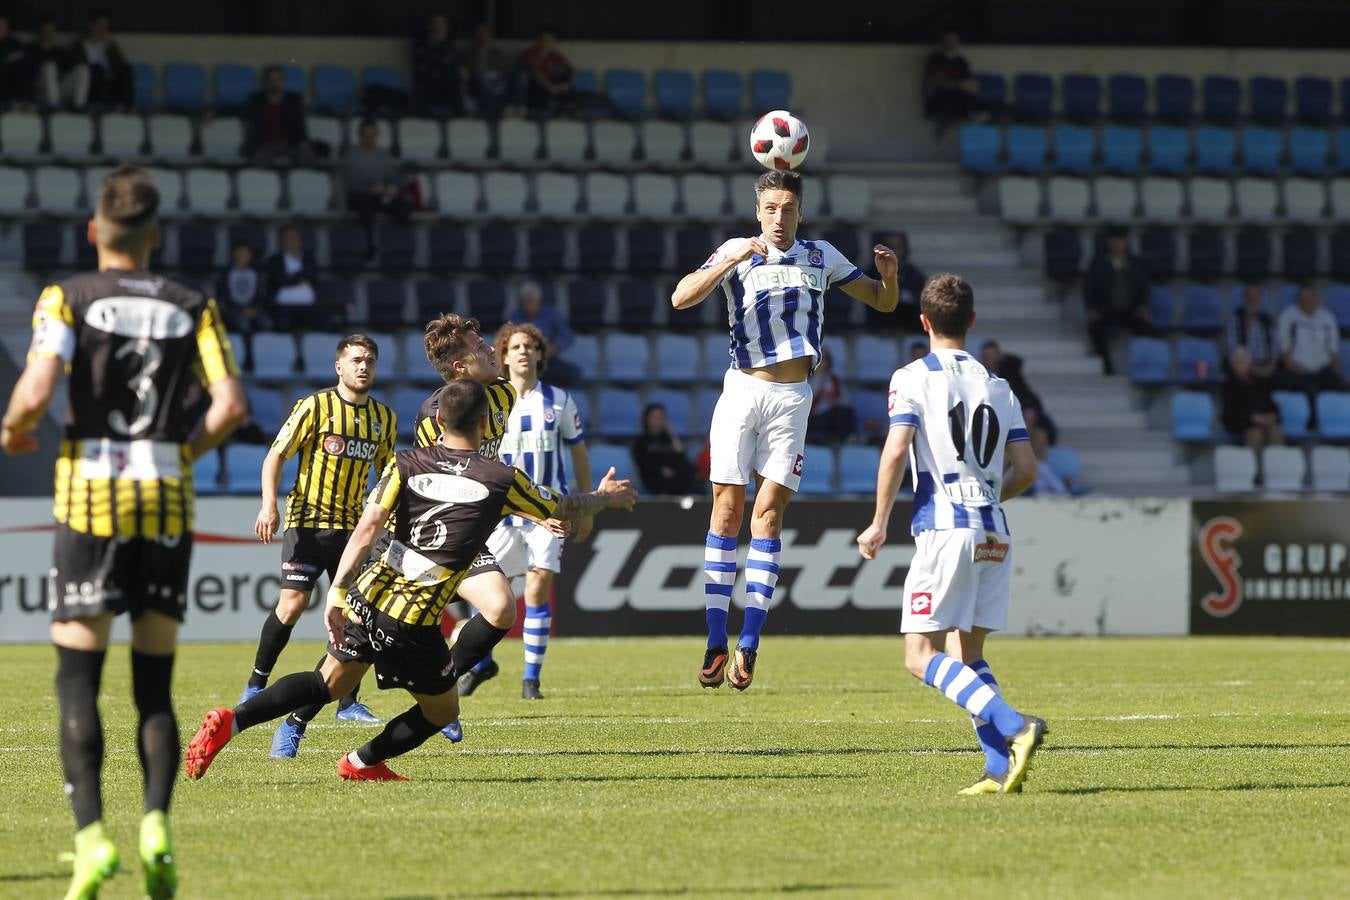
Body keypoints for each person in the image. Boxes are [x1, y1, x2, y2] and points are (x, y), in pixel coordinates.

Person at [184, 379, 637, 783]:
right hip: (413, 621)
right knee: (442, 711)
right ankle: (363, 762)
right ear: (485, 423)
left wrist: (339, 593)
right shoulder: (501, 477)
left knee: (329, 682)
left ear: (438, 419)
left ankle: (232, 720)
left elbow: (366, 528)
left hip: (368, 593)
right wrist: (606, 498)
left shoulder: (407, 463)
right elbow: (563, 507)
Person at [1, 166, 247, 898]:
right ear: (154, 236)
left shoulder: (68, 296)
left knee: (78, 681)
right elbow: (231, 403)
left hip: (89, 502)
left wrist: (14, 430)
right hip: (166, 500)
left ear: (93, 231)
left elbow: (37, 391)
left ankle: (91, 843)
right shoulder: (191, 303)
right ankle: (156, 825)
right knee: (153, 686)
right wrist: (180, 452)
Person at [671, 169, 898, 690]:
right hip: (742, 390)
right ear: (758, 211)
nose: (779, 217)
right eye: (770, 208)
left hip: (793, 398)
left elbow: (883, 302)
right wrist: (728, 260)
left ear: (800, 211)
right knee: (726, 511)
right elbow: (681, 298)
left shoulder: (821, 255)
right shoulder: (737, 250)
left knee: (767, 515)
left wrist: (890, 277)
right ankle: (713, 638)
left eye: (788, 208)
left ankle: (748, 643)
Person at [855, 272, 1046, 796]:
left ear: (924, 322)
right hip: (994, 531)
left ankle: (1015, 726)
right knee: (968, 655)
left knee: (920, 657)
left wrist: (877, 522)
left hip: (945, 528)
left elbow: (896, 450)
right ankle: (997, 770)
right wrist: (986, 498)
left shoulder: (912, 377)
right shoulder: (999, 386)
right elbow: (1027, 468)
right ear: (973, 322)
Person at [241, 334, 397, 757]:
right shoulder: (315, 406)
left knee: (356, 619)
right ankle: (256, 682)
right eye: (355, 360)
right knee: (291, 606)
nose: (363, 366)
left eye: (369, 360)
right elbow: (276, 454)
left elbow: (387, 475)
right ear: (339, 367)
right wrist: (268, 504)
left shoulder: (384, 417)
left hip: (352, 532)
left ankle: (346, 702)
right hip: (307, 525)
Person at [413, 314, 523, 737]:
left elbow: (490, 467)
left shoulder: (503, 395)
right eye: (480, 347)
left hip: (469, 534)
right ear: (459, 367)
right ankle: (297, 715)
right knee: (354, 657)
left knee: (500, 608)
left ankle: (442, 685)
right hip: (426, 534)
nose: (490, 349)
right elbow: (430, 482)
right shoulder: (435, 414)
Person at [480, 322, 591, 700]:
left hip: (549, 512)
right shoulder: (492, 401)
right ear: (504, 356)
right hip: (503, 514)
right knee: (494, 593)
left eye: (530, 345)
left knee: (537, 587)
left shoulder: (559, 401)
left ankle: (531, 679)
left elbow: (578, 453)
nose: (524, 351)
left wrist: (587, 505)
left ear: (541, 354)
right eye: (516, 346)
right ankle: (482, 663)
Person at [1083, 226, 1151, 375]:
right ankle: (1106, 365)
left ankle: (1142, 368)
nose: (1117, 244)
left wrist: (1142, 306)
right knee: (1094, 327)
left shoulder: (1136, 263)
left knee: (1146, 327)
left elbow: (1144, 286)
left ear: (1126, 242)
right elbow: (1088, 287)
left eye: (1120, 241)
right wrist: (1091, 308)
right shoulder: (1098, 263)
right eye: (1114, 241)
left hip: (1130, 310)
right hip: (1106, 310)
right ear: (1109, 242)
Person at [979, 340, 1057, 454]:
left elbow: (1018, 362)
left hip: (1018, 417)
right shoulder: (980, 378)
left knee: (1039, 433)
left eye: (992, 356)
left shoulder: (1010, 373)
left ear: (999, 357)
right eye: (985, 357)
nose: (989, 360)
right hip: (996, 421)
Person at [341, 119, 410, 245]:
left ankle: (399, 246)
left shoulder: (384, 155)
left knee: (402, 204)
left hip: (381, 194)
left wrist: (389, 189)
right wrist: (369, 189)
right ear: (360, 136)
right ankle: (369, 248)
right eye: (367, 135)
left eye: (373, 135)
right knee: (366, 208)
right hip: (360, 195)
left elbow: (394, 178)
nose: (370, 138)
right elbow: (350, 182)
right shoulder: (351, 155)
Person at [1275, 286, 1344, 410]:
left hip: (1322, 369)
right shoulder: (1288, 316)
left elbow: (1334, 352)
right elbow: (1283, 351)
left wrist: (1337, 374)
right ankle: (1312, 424)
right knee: (1311, 389)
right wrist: (1292, 367)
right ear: (1298, 301)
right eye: (1303, 299)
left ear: (1317, 299)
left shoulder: (1327, 317)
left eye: (1310, 298)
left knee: (1339, 386)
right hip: (1298, 369)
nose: (1307, 302)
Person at [1222, 346, 1284, 481]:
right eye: (1238, 360)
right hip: (1243, 424)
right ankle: (1256, 475)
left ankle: (1276, 473)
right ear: (1233, 364)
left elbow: (1273, 405)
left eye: (1244, 359)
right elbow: (1230, 413)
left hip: (1264, 421)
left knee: (1276, 431)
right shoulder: (1229, 385)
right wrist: (1253, 418)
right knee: (1255, 434)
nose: (1241, 363)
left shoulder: (1259, 381)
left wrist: (1272, 416)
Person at [505, 281, 581, 387]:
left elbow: (568, 337)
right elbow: (505, 340)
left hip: (548, 361)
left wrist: (554, 346)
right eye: (525, 302)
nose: (528, 305)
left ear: (539, 300)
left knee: (574, 374)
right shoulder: (514, 317)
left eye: (532, 301)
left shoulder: (552, 314)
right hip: (524, 362)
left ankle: (568, 402)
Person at [243, 65, 313, 166]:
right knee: (259, 160)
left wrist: (303, 142)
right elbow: (238, 110)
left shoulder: (293, 100)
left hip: (290, 144)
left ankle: (301, 181)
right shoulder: (256, 100)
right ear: (266, 81)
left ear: (283, 81)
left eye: (278, 79)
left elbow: (300, 124)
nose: (275, 82)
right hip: (264, 145)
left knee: (307, 156)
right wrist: (215, 112)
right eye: (271, 79)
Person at [217, 241, 266, 371]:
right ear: (234, 255)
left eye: (245, 254)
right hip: (233, 311)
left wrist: (253, 309)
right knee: (244, 325)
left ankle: (265, 359)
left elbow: (260, 296)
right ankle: (248, 360)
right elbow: (224, 298)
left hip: (252, 310)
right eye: (239, 253)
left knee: (266, 323)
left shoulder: (256, 273)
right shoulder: (226, 274)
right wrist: (240, 310)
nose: (242, 256)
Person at [68, 10, 132, 110]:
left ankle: (128, 107)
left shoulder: (109, 45)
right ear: (91, 26)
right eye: (99, 26)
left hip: (109, 83)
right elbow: (78, 68)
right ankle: (106, 107)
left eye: (105, 27)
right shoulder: (79, 46)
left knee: (125, 69)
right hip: (91, 85)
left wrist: (110, 47)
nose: (102, 30)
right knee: (97, 69)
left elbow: (120, 63)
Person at [922, 29, 981, 135]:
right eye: (949, 40)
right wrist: (959, 85)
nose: (952, 43)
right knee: (949, 97)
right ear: (943, 41)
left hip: (959, 93)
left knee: (973, 97)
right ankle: (943, 124)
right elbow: (938, 81)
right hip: (940, 94)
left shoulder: (961, 61)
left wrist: (972, 85)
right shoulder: (936, 59)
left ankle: (973, 123)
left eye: (954, 40)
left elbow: (968, 79)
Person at [265, 224, 322, 333]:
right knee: (281, 324)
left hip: (309, 306)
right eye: (288, 237)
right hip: (283, 307)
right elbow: (279, 279)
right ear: (282, 241)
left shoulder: (308, 259)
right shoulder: (275, 260)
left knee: (324, 321)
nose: (292, 240)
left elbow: (312, 276)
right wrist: (301, 277)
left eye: (294, 237)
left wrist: (291, 277)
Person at [868, 231, 927, 332]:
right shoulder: (871, 274)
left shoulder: (914, 276)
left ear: (904, 249)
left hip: (909, 330)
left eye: (897, 247)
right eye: (890, 247)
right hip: (879, 330)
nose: (893, 252)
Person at [633, 403, 696, 495]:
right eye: (655, 418)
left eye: (661, 418)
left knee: (687, 469)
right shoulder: (641, 441)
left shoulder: (667, 438)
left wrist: (672, 434)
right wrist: (661, 469)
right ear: (647, 419)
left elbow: (680, 455)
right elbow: (643, 463)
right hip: (654, 476)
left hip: (672, 474)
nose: (658, 421)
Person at [411, 12, 465, 115]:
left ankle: (459, 114)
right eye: (437, 23)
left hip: (445, 85)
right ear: (430, 25)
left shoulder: (450, 44)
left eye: (442, 24)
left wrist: (460, 69)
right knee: (422, 87)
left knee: (455, 77)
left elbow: (455, 61)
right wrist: (437, 44)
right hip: (428, 84)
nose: (439, 26)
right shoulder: (420, 43)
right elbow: (423, 66)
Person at [806, 345, 857, 444]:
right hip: (813, 417)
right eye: (819, 360)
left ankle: (848, 439)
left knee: (844, 413)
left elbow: (846, 401)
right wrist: (818, 377)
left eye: (824, 360)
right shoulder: (807, 378)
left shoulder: (835, 380)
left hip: (831, 415)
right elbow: (808, 398)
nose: (821, 363)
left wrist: (835, 402)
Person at [1225, 285, 1278, 379]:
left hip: (1266, 368)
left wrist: (1269, 368)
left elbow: (1275, 350)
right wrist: (1253, 369)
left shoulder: (1268, 321)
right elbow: (1232, 351)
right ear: (1245, 299)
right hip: (1243, 368)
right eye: (1250, 298)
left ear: (1260, 300)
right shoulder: (1235, 320)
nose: (1253, 301)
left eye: (1256, 298)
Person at [519, 26, 574, 116]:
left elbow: (571, 70)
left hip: (553, 87)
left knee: (566, 81)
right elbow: (535, 73)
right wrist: (550, 87)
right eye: (544, 40)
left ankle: (566, 110)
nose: (546, 43)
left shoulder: (555, 56)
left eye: (550, 41)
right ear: (538, 41)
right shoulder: (530, 54)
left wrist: (567, 85)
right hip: (536, 87)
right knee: (539, 88)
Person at [465, 21, 510, 119]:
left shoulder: (496, 52)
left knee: (496, 85)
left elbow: (503, 69)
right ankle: (486, 110)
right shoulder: (469, 52)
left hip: (494, 80)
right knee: (480, 78)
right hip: (475, 81)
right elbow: (466, 69)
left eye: (485, 33)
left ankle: (495, 110)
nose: (482, 36)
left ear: (489, 35)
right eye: (480, 33)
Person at [31, 17, 79, 109]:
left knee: (82, 69)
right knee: (50, 66)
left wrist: (61, 74)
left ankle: (79, 107)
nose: (48, 34)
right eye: (46, 31)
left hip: (59, 88)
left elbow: (69, 70)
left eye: (51, 31)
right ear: (40, 31)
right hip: (39, 90)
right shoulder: (32, 50)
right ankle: (54, 107)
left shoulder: (60, 52)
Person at [0, 15, 33, 107]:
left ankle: (21, 101)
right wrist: (6, 59)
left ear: (7, 28)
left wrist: (16, 57)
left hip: (14, 75)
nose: (1, 28)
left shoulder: (14, 42)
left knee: (21, 67)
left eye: (3, 26)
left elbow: (24, 55)